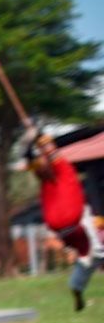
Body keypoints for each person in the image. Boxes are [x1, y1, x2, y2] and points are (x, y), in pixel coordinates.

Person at [26, 132, 104, 311]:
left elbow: (30, 159)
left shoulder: (44, 180)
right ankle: (83, 266)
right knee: (95, 254)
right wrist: (42, 139)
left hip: (62, 231)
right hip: (76, 224)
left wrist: (32, 140)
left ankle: (76, 287)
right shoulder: (63, 169)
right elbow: (56, 150)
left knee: (87, 259)